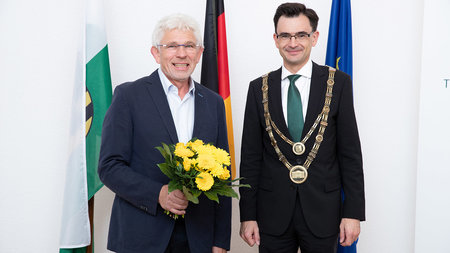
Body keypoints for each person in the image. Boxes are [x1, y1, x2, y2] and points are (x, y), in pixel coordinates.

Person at [98, 13, 231, 253]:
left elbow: (223, 175)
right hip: (141, 237)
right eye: (172, 46)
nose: (182, 54)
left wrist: (220, 241)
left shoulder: (213, 103)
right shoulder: (129, 97)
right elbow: (109, 166)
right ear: (155, 53)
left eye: (189, 46)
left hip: (198, 239)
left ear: (200, 53)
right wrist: (157, 194)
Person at [239, 3, 365, 253]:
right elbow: (251, 158)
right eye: (285, 35)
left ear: (314, 37)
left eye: (301, 35)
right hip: (272, 213)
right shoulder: (258, 88)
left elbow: (350, 154)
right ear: (275, 39)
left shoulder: (337, 83)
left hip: (324, 212)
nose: (292, 42)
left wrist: (353, 213)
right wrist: (247, 215)